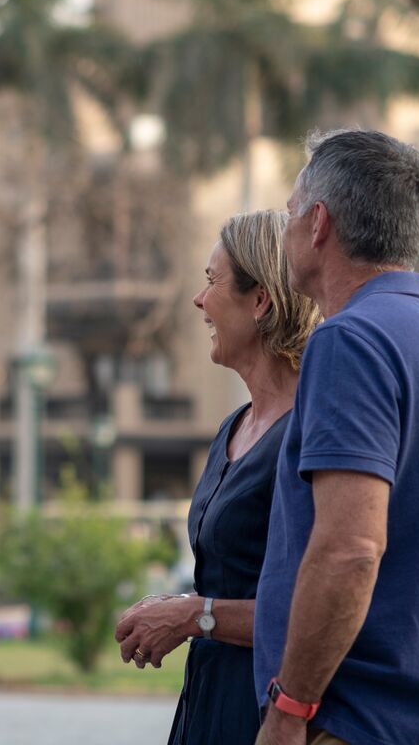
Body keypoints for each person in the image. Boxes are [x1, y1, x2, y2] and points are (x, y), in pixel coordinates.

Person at [255, 128, 419, 745]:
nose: (286, 229)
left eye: (291, 214)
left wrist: (290, 710)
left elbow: (351, 548)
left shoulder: (350, 341)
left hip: (357, 724)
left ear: (318, 224)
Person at [114, 210, 320, 744]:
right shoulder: (233, 426)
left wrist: (194, 617)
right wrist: (179, 606)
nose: (199, 301)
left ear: (260, 301)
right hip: (205, 702)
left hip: (268, 711)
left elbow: (319, 606)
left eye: (212, 281)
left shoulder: (314, 432)